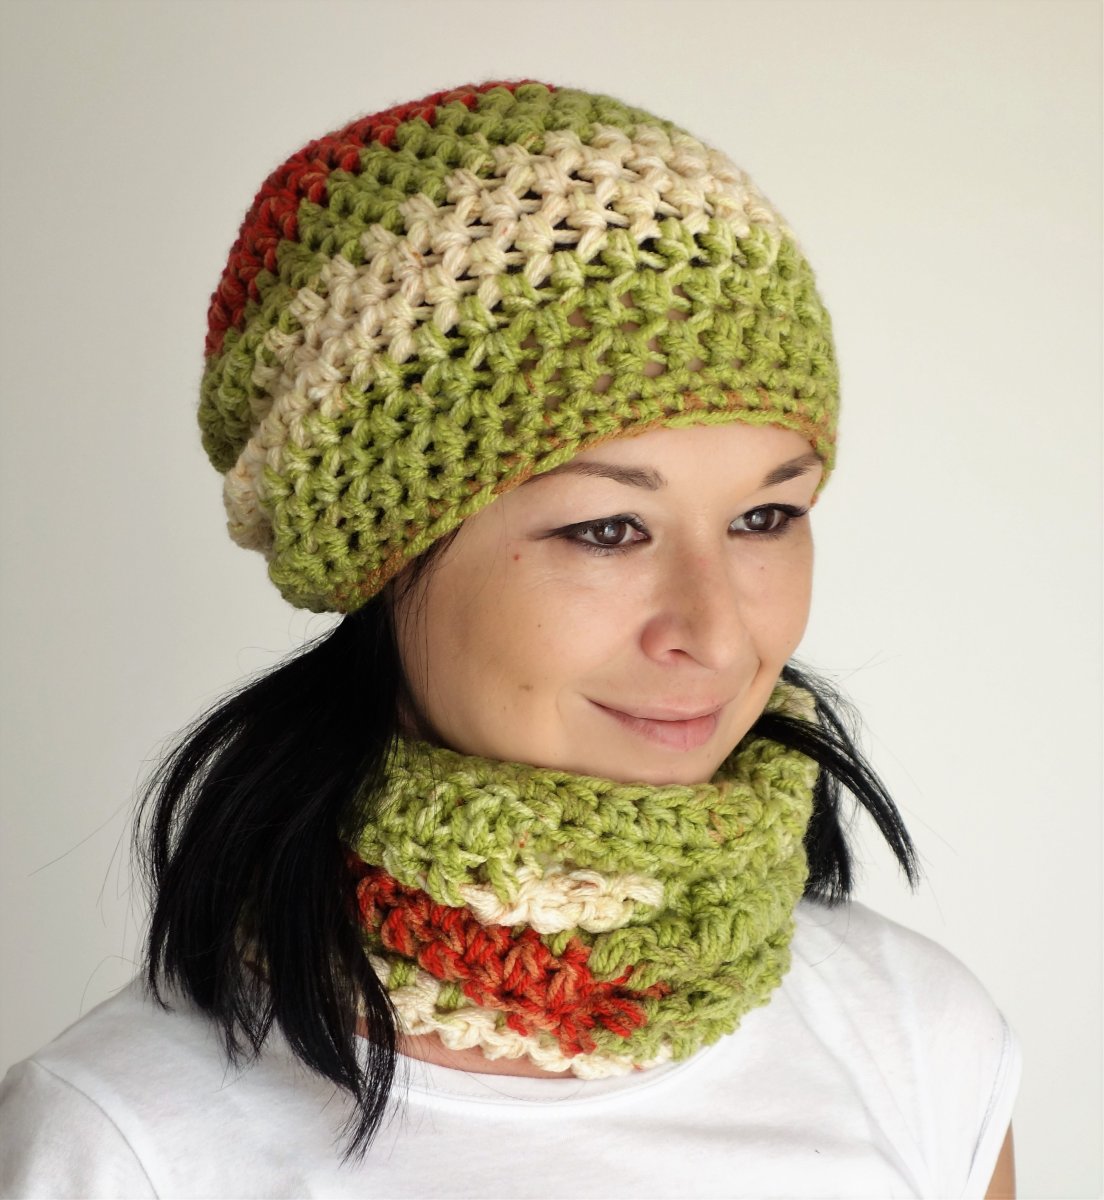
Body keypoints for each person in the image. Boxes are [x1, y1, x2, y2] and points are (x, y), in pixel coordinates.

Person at [0, 79, 1019, 1198]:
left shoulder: (919, 1039)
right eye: (607, 528)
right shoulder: (124, 1142)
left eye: (766, 517)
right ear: (383, 557)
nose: (719, 634)